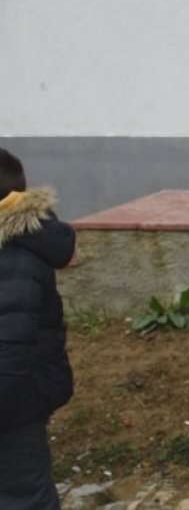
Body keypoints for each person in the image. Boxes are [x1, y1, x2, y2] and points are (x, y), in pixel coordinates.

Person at [0, 148, 75, 510]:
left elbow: (11, 349)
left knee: (24, 495)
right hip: (17, 396)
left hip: (14, 404)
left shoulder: (14, 259)